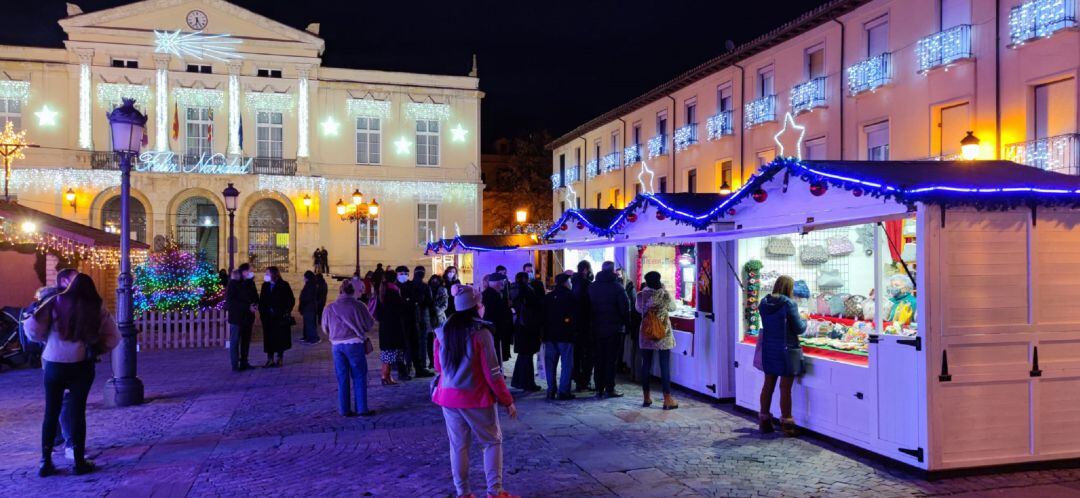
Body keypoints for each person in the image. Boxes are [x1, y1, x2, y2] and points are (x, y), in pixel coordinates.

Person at [24, 273, 120, 476]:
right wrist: (98, 348)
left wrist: (45, 340)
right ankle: (78, 461)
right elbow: (114, 337)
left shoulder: (54, 302)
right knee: (78, 413)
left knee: (51, 411)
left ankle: (46, 461)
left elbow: (32, 328)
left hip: (53, 363)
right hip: (81, 364)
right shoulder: (96, 308)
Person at [431, 285, 519, 498]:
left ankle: (463, 493)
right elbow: (493, 373)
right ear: (475, 306)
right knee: (491, 442)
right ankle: (495, 491)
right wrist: (507, 400)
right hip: (476, 398)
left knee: (458, 447)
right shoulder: (481, 333)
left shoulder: (442, 332)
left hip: (448, 398)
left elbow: (438, 367)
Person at [757, 275, 806, 436]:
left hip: (769, 349)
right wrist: (805, 320)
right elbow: (799, 328)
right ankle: (787, 423)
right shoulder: (789, 304)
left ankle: (764, 420)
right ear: (789, 288)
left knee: (768, 386)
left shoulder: (764, 303)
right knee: (785, 388)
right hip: (787, 350)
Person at [322, 280, 376, 417]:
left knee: (342, 377)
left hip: (336, 346)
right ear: (353, 292)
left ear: (340, 291)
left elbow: (324, 328)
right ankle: (362, 409)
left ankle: (344, 409)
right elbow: (369, 324)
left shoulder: (330, 308)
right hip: (354, 344)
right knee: (359, 376)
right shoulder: (359, 306)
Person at [636, 271, 679, 410]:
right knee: (664, 365)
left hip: (647, 334)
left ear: (646, 281)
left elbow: (638, 309)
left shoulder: (641, 295)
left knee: (646, 365)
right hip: (663, 335)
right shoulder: (664, 294)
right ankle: (667, 399)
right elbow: (673, 308)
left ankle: (646, 397)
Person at [588, 261, 629, 399]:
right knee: (610, 360)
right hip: (613, 329)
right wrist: (625, 324)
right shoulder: (617, 288)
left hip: (595, 328)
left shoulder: (592, 287)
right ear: (613, 271)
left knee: (598, 359)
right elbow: (625, 309)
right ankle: (609, 388)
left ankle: (598, 388)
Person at [541, 273, 576, 400]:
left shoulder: (548, 297)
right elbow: (574, 317)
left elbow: (543, 317)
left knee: (550, 364)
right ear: (566, 282)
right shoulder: (571, 297)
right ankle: (563, 391)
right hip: (565, 336)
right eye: (570, 281)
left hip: (550, 336)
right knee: (566, 364)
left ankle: (551, 390)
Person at [510, 272, 543, 392]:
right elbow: (534, 306)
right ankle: (527, 383)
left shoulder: (514, 290)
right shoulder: (526, 290)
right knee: (527, 356)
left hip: (520, 326)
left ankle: (519, 381)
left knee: (523, 355)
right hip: (528, 326)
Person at [259, 266, 295, 368]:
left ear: (273, 274)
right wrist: (263, 313)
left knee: (280, 338)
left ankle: (280, 358)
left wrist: (286, 311)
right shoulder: (265, 286)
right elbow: (261, 301)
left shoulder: (284, 285)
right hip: (268, 317)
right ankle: (270, 359)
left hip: (279, 317)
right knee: (269, 338)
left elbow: (290, 300)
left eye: (267, 273)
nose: (265, 275)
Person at [402, 266, 435, 377]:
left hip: (410, 318)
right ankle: (420, 367)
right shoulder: (425, 287)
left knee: (409, 343)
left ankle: (408, 365)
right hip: (421, 318)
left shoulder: (408, 285)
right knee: (421, 342)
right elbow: (430, 303)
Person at [226, 266, 259, 371]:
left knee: (245, 341)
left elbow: (255, 296)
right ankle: (235, 365)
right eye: (250, 271)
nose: (252, 272)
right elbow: (231, 302)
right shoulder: (233, 283)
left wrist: (255, 305)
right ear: (244, 272)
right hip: (237, 317)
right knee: (235, 341)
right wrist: (247, 307)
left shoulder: (250, 283)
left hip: (248, 317)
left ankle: (244, 362)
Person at [376, 278, 409, 384]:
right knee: (390, 355)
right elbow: (401, 310)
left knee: (387, 354)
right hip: (393, 329)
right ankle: (385, 377)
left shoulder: (382, 295)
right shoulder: (392, 295)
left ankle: (386, 376)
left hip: (385, 330)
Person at [570, 261, 594, 392]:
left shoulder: (573, 284)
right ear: (585, 270)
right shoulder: (587, 285)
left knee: (577, 354)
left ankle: (578, 379)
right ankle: (585, 380)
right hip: (586, 324)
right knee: (588, 354)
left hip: (575, 325)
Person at [481, 272, 514, 362]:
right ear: (496, 283)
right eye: (502, 281)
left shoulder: (494, 294)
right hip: (493, 329)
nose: (504, 284)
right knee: (494, 354)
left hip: (493, 328)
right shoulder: (492, 295)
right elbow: (495, 314)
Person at [428, 274, 448, 369]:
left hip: (439, 318)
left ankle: (439, 360)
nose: (434, 283)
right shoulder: (428, 289)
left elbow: (445, 305)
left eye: (436, 281)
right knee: (429, 341)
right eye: (433, 281)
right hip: (429, 318)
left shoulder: (443, 290)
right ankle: (432, 361)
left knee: (439, 340)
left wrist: (436, 310)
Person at [625, 280, 642, 379]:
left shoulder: (636, 302)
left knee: (633, 351)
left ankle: (633, 374)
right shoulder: (642, 301)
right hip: (640, 330)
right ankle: (638, 375)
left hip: (634, 329)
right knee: (639, 353)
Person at [299, 271, 321, 344]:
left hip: (309, 307)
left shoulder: (311, 285)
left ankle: (314, 338)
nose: (304, 279)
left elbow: (307, 297)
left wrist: (302, 304)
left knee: (310, 323)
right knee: (307, 323)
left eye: (305, 277)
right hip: (308, 307)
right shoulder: (310, 284)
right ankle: (307, 337)